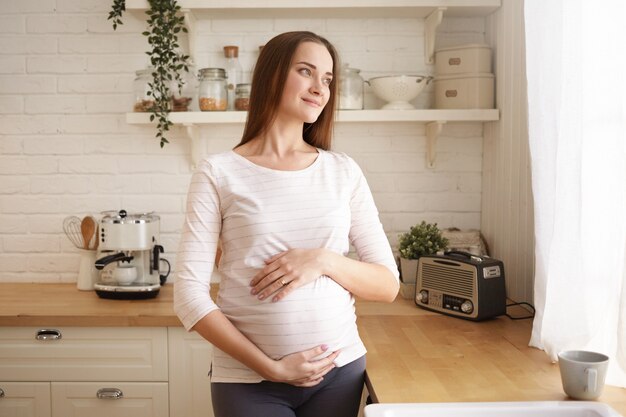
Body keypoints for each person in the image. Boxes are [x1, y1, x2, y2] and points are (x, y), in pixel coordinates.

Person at [174, 31, 399, 417]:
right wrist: (271, 367)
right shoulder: (218, 172)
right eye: (306, 72)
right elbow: (189, 298)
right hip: (249, 383)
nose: (319, 88)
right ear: (272, 76)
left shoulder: (343, 171)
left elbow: (387, 284)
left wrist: (323, 260)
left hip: (339, 372)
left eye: (327, 79)